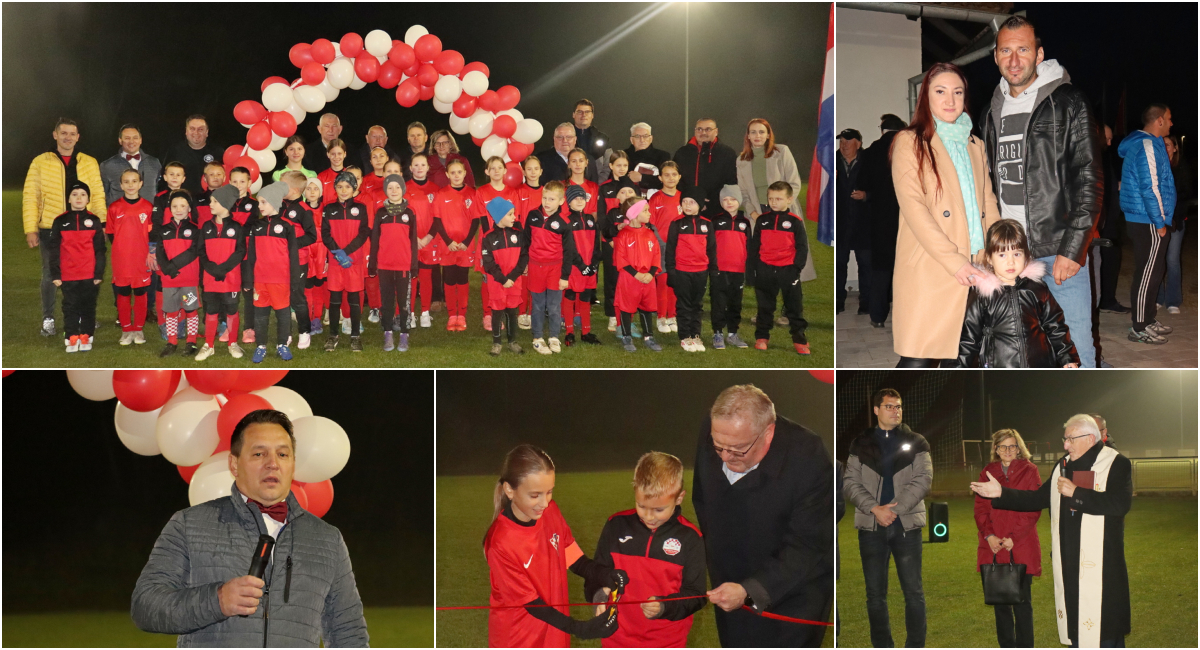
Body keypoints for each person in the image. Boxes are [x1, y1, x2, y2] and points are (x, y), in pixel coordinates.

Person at [131, 409, 369, 647]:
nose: (272, 464)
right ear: (234, 464)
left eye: (283, 454)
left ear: (293, 465)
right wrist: (217, 600)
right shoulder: (189, 524)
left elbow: (348, 633)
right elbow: (146, 605)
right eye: (259, 453)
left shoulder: (326, 539)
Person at [983, 16, 1103, 367]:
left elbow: (1090, 179)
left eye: (1023, 49)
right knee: (1026, 352)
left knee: (1076, 349)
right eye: (1006, 50)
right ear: (995, 56)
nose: (1015, 59)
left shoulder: (1069, 101)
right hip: (1010, 257)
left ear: (1039, 54)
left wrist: (1074, 248)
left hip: (1058, 252)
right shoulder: (992, 111)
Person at [971, 414, 1132, 648]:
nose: (1065, 445)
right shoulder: (1063, 466)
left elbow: (1120, 504)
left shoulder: (1115, 463)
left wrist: (1077, 493)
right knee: (1077, 627)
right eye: (1064, 439)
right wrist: (1002, 494)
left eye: (1070, 439)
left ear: (1089, 438)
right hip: (1068, 563)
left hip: (1102, 566)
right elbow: (1037, 498)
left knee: (1104, 629)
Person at [692, 384, 833, 647]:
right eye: (718, 447)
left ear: (768, 433)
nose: (724, 457)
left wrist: (752, 589)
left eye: (737, 450)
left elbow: (808, 543)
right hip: (730, 586)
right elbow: (702, 499)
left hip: (793, 593)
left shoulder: (808, 456)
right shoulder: (717, 432)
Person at [892, 62, 1000, 367]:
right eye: (940, 91)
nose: (950, 100)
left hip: (977, 266)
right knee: (918, 358)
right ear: (926, 97)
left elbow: (987, 203)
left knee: (963, 359)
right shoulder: (910, 141)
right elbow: (914, 208)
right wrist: (954, 261)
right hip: (932, 264)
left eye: (958, 92)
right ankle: (892, 412)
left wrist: (997, 254)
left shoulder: (974, 144)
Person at [483, 444, 621, 646]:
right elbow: (533, 605)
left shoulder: (550, 512)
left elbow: (573, 558)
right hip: (519, 640)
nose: (544, 503)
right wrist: (579, 628)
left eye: (549, 492)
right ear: (509, 490)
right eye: (535, 495)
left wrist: (602, 574)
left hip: (555, 633)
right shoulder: (500, 542)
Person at [587, 451, 707, 648]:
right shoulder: (616, 525)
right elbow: (597, 572)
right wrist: (598, 596)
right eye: (642, 506)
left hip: (667, 641)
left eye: (659, 509)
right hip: (616, 637)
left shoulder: (690, 538)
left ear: (679, 498)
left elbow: (696, 595)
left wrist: (664, 606)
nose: (649, 516)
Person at [843, 388, 931, 649]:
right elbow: (850, 482)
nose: (896, 411)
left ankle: (915, 645)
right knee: (874, 596)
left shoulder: (917, 441)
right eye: (890, 406)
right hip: (871, 528)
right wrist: (874, 508)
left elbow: (923, 479)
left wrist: (895, 509)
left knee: (913, 593)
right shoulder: (860, 442)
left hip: (907, 526)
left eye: (899, 406)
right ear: (876, 410)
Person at [23, 118, 107, 337]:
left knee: (84, 273)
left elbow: (97, 194)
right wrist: (30, 228)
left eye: (72, 134)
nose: (68, 137)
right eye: (64, 133)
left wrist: (101, 223)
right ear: (55, 135)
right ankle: (48, 318)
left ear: (78, 137)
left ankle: (83, 315)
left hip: (83, 228)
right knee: (51, 272)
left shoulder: (88, 161)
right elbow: (31, 196)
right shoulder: (40, 162)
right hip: (51, 227)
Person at [958, 219, 1080, 368]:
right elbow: (968, 339)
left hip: (1040, 365)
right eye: (1002, 255)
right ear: (989, 258)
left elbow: (1055, 325)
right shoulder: (982, 294)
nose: (1011, 262)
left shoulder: (1036, 288)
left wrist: (1067, 357)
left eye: (1016, 254)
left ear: (1026, 255)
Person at [972, 429, 1042, 649]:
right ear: (996, 449)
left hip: (1020, 545)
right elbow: (981, 508)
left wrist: (1013, 537)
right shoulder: (987, 471)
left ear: (1019, 447)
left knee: (1022, 604)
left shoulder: (1030, 470)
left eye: (1012, 446)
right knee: (1000, 605)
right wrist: (989, 535)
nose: (1008, 450)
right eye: (1003, 446)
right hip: (992, 547)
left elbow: (1033, 507)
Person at [1119, 103, 1177, 345]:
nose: (1172, 123)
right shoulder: (1146, 144)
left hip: (1148, 218)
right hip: (1148, 219)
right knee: (1147, 274)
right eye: (1169, 118)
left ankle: (1148, 319)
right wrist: (1159, 221)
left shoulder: (1148, 143)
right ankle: (1139, 327)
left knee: (1154, 271)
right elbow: (1150, 186)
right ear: (1160, 120)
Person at [856, 114, 907, 327]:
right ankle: (907, 316)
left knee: (881, 269)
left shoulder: (870, 152)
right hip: (908, 217)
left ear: (882, 130)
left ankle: (877, 316)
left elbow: (862, 186)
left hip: (880, 220)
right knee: (907, 268)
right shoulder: (909, 148)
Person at [749, 181, 810, 355]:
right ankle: (762, 337)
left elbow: (802, 247)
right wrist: (754, 269)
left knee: (794, 307)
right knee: (765, 306)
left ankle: (799, 339)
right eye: (771, 198)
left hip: (788, 270)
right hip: (765, 269)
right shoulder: (762, 220)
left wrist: (795, 268)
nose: (774, 202)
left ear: (789, 200)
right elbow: (754, 246)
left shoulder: (795, 222)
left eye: (778, 198)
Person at [245, 181, 300, 362]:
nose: (259, 206)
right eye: (259, 202)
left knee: (283, 314)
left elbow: (293, 255)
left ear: (274, 202)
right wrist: (248, 279)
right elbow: (251, 256)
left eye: (263, 202)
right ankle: (261, 346)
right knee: (260, 315)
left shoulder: (286, 226)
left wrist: (294, 280)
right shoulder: (256, 226)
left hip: (280, 280)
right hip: (260, 280)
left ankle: (282, 344)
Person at [48, 181, 106, 352]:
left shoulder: (94, 220)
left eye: (83, 194)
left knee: (88, 305)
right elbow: (54, 249)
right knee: (70, 306)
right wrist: (55, 274)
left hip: (89, 274)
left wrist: (99, 273)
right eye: (74, 195)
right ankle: (72, 336)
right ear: (68, 199)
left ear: (88, 199)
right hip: (68, 274)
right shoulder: (60, 221)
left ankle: (87, 335)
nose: (79, 198)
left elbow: (100, 250)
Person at [523, 181, 575, 355]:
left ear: (561, 201)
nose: (547, 202)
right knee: (537, 305)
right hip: (535, 266)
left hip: (555, 269)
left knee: (553, 306)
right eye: (545, 197)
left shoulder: (565, 222)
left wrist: (565, 276)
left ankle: (554, 336)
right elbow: (526, 241)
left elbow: (569, 252)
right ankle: (537, 338)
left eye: (552, 199)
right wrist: (524, 264)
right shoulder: (532, 215)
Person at [196, 184, 247, 361]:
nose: (210, 204)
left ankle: (232, 342)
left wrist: (223, 269)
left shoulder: (237, 227)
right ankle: (209, 345)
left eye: (215, 201)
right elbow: (200, 250)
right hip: (210, 278)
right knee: (211, 311)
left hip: (230, 279)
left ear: (225, 204)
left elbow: (240, 252)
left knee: (232, 310)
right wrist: (212, 268)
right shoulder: (205, 227)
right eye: (211, 200)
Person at [368, 175, 418, 352]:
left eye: (397, 187)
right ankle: (387, 332)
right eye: (390, 188)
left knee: (403, 302)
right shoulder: (381, 213)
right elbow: (375, 239)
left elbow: (413, 241)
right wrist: (372, 263)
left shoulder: (409, 213)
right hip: (384, 265)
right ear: (386, 191)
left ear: (403, 189)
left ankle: (404, 333)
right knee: (387, 301)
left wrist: (413, 266)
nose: (394, 191)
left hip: (403, 265)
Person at [321, 171, 370, 351]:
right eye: (340, 186)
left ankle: (355, 335)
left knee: (354, 299)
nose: (343, 190)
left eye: (347, 187)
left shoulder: (361, 208)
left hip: (353, 261)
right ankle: (333, 335)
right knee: (334, 300)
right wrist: (338, 254)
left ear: (354, 188)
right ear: (335, 188)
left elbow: (364, 232)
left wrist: (346, 252)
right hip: (336, 262)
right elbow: (325, 234)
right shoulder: (328, 209)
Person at [430, 159, 479, 331]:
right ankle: (452, 315)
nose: (456, 175)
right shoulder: (441, 194)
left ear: (465, 173)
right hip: (447, 245)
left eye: (459, 172)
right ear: (447, 175)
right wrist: (448, 241)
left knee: (463, 278)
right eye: (453, 172)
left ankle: (462, 315)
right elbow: (437, 220)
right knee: (449, 279)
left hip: (465, 246)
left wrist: (466, 242)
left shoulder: (472, 194)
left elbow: (475, 220)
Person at [107, 169, 154, 346]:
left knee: (141, 293)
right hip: (122, 259)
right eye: (126, 182)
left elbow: (151, 234)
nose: (130, 185)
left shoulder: (147, 207)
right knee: (123, 293)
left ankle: (138, 329)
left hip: (142, 259)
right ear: (121, 185)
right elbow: (111, 233)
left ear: (141, 184)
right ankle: (126, 329)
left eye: (134, 181)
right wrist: (122, 250)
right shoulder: (114, 207)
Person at [666, 186, 716, 352]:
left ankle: (695, 334)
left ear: (701, 205)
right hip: (682, 271)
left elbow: (711, 249)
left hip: (701, 271)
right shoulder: (676, 223)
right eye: (685, 202)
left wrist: (713, 270)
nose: (687, 205)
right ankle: (685, 336)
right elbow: (670, 250)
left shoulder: (707, 224)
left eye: (692, 202)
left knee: (697, 304)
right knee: (684, 304)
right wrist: (671, 271)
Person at [612, 199, 665, 353]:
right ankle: (626, 336)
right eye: (645, 210)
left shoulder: (650, 233)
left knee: (647, 307)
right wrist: (636, 274)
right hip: (629, 278)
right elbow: (620, 258)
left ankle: (648, 336)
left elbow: (656, 254)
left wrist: (651, 273)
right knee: (626, 308)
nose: (649, 213)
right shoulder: (623, 235)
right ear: (635, 214)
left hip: (648, 278)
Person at [154, 190, 202, 357]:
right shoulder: (163, 230)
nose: (178, 209)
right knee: (171, 311)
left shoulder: (195, 230)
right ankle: (171, 341)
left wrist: (172, 266)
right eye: (175, 206)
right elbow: (159, 253)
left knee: (191, 310)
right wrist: (167, 269)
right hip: (169, 280)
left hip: (188, 279)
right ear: (170, 209)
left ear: (189, 208)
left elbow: (193, 252)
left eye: (182, 206)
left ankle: (191, 342)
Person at [475, 157, 520, 332]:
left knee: (506, 275)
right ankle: (488, 314)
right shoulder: (482, 192)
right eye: (492, 168)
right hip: (488, 242)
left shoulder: (511, 192)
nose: (496, 171)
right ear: (487, 172)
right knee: (488, 278)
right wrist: (490, 241)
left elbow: (515, 219)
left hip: (508, 244)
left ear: (504, 171)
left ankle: (506, 311)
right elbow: (482, 219)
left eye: (499, 167)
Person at [480, 197, 528, 356]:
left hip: (514, 281)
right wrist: (503, 279)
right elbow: (488, 263)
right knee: (497, 312)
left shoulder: (518, 234)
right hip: (497, 282)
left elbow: (523, 257)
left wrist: (512, 278)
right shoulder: (488, 237)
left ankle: (512, 341)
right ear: (499, 216)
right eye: (510, 214)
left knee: (512, 312)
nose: (514, 217)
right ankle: (497, 343)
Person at [278, 171, 319, 350]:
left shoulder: (304, 210)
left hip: (298, 260)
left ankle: (304, 331)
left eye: (282, 184)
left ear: (293, 189)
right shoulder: (277, 205)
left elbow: (311, 236)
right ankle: (286, 333)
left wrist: (291, 245)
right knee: (282, 297)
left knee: (297, 297)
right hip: (278, 259)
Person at [710, 185, 751, 349]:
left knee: (735, 302)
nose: (729, 203)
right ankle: (718, 333)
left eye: (733, 199)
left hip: (738, 269)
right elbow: (710, 245)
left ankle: (733, 333)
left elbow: (749, 246)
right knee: (718, 301)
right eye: (725, 199)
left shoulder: (744, 222)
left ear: (739, 201)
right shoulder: (716, 220)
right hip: (719, 269)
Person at [835, 128, 871, 315]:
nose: (843, 145)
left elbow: (882, 187)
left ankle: (866, 302)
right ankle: (837, 302)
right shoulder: (832, 161)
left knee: (865, 264)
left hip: (863, 223)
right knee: (839, 264)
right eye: (841, 141)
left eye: (848, 141)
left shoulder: (869, 161)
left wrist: (866, 195)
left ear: (858, 143)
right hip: (840, 223)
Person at [1097, 125, 1130, 314]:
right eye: (1107, 139)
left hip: (1110, 219)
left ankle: (1107, 299)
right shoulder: (1093, 155)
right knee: (1107, 260)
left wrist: (1116, 185)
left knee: (1112, 258)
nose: (1110, 143)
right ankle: (1105, 300)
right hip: (1102, 221)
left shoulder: (1104, 155)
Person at [563, 184, 601, 346]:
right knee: (570, 296)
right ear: (568, 202)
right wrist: (581, 265)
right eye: (575, 198)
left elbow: (596, 245)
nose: (579, 201)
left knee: (585, 297)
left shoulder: (591, 220)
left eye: (582, 198)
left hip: (589, 267)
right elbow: (568, 248)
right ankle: (569, 332)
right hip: (574, 267)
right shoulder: (566, 221)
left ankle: (586, 331)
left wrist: (593, 264)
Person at [673, 118, 738, 215]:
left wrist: (712, 200)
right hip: (688, 207)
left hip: (717, 209)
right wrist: (692, 198)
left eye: (708, 129)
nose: (703, 132)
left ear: (716, 131)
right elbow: (676, 180)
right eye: (699, 129)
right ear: (695, 131)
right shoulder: (682, 153)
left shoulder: (727, 153)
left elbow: (731, 182)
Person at [648, 161, 684, 332]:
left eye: (674, 174)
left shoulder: (683, 198)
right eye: (667, 175)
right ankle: (661, 317)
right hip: (661, 247)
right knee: (662, 282)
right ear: (660, 178)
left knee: (675, 282)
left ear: (679, 177)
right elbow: (651, 224)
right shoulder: (656, 199)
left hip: (680, 247)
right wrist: (659, 244)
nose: (671, 178)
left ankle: (672, 315)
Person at [405, 153, 440, 328]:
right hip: (409, 240)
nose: (419, 168)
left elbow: (438, 217)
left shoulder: (435, 189)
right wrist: (413, 237)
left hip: (428, 240)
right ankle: (410, 313)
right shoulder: (404, 188)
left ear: (428, 167)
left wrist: (427, 237)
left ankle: (425, 312)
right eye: (416, 165)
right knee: (412, 278)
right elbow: (403, 215)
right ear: (410, 168)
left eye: (422, 165)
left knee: (426, 277)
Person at [1156, 133, 1188, 315]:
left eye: (1168, 145)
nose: (1165, 148)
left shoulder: (1181, 167)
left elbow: (1186, 193)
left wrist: (1172, 211)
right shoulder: (1156, 165)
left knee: (1172, 260)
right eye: (1163, 145)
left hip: (1175, 221)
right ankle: (1158, 297)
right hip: (1158, 220)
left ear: (1175, 147)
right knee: (1158, 259)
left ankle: (1173, 300)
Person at [517, 156, 546, 329]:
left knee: (537, 278)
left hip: (542, 242)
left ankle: (533, 312)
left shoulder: (545, 192)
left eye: (536, 169)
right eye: (529, 169)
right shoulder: (518, 192)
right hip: (524, 241)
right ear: (523, 171)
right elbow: (517, 218)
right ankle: (522, 312)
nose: (533, 172)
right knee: (524, 276)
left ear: (541, 171)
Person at [100, 123, 162, 204]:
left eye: (135, 138)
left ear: (140, 140)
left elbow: (160, 191)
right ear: (120, 140)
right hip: (119, 215)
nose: (131, 141)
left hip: (149, 215)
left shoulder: (154, 163)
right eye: (127, 138)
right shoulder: (107, 165)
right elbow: (102, 195)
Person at [164, 115, 223, 194]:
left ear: (207, 132)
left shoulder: (217, 152)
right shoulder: (175, 151)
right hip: (182, 201)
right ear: (186, 131)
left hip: (211, 200)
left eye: (200, 129)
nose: (196, 132)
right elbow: (164, 178)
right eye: (192, 129)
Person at [302, 177, 329, 336]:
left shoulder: (325, 209)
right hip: (306, 250)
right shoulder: (300, 209)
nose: (312, 192)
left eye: (315, 189)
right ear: (304, 191)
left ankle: (317, 318)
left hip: (321, 251)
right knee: (307, 285)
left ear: (321, 192)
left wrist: (326, 257)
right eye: (309, 189)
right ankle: (307, 318)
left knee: (319, 285)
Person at [623, 122, 672, 193]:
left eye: (645, 136)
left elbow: (668, 180)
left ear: (651, 138)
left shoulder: (663, 156)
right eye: (637, 136)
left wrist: (642, 178)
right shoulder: (623, 156)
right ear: (631, 140)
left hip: (656, 200)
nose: (642, 140)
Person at [572, 99, 612, 182]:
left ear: (592, 115)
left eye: (587, 112)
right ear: (573, 114)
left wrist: (598, 184)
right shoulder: (565, 137)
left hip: (595, 186)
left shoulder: (603, 138)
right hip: (570, 186)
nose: (583, 115)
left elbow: (608, 165)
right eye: (580, 112)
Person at [316, 138, 350, 204]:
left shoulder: (350, 174)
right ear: (328, 154)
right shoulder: (321, 177)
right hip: (327, 213)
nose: (336, 157)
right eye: (333, 154)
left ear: (344, 154)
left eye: (339, 153)